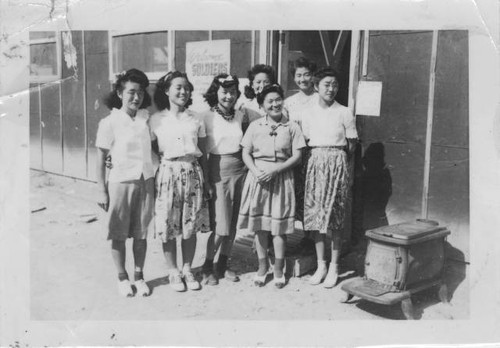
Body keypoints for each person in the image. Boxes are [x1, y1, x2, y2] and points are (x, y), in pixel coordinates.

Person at [237, 84, 306, 289]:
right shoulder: (255, 126)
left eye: (278, 100)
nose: (275, 104)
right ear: (262, 105)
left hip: (282, 179)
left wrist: (276, 170)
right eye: (270, 101)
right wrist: (256, 171)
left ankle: (278, 268)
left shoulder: (292, 127)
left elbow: (297, 156)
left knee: (279, 229)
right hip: (258, 179)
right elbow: (245, 152)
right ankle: (262, 266)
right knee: (260, 227)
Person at [96, 68, 154, 297]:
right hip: (120, 183)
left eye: (140, 93)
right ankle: (122, 277)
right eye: (131, 92)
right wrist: (102, 190)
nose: (136, 97)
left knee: (141, 234)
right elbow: (101, 158)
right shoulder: (109, 122)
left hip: (145, 181)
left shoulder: (145, 119)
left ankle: (139, 276)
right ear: (120, 93)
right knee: (118, 233)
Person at [150, 71, 211, 292]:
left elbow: (203, 152)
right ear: (167, 90)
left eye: (186, 88)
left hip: (192, 172)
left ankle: (187, 268)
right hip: (167, 173)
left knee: (190, 224)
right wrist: (159, 171)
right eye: (178, 87)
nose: (183, 92)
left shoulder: (197, 118)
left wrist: (206, 182)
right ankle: (173, 271)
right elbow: (149, 150)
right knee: (167, 224)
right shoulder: (156, 119)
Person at [302, 67, 358, 288]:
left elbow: (352, 144)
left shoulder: (344, 111)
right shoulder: (308, 112)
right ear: (316, 86)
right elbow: (305, 140)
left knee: (335, 218)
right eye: (326, 84)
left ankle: (334, 267)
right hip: (315, 162)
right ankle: (321, 265)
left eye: (335, 85)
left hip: (337, 163)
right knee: (315, 217)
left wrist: (339, 164)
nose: (331, 89)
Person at [199, 74, 247, 285]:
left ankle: (222, 265)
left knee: (234, 224)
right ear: (215, 92)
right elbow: (202, 151)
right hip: (218, 171)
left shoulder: (240, 115)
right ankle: (206, 266)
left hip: (240, 170)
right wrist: (207, 181)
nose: (229, 96)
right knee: (221, 226)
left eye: (233, 92)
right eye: (224, 91)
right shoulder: (205, 117)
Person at [283, 57, 318, 253]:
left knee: (312, 195)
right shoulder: (289, 102)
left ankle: (309, 238)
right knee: (295, 194)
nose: (303, 79)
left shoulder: (321, 98)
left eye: (306, 74)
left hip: (314, 152)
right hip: (296, 154)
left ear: (313, 76)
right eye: (298, 75)